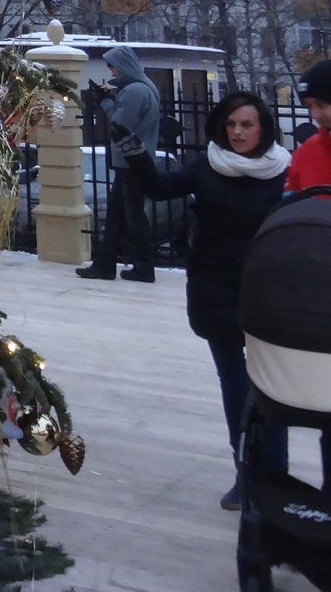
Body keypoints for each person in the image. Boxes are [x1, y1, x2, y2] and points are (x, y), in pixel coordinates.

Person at [124, 92, 289, 506]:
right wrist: (136, 153)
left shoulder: (285, 171)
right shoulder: (209, 164)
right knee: (234, 384)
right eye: (231, 124)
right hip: (215, 286)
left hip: (267, 287)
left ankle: (277, 478)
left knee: (273, 388)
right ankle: (246, 475)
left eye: (247, 125)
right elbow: (161, 188)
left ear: (264, 128)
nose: (237, 132)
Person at [76, 43, 162, 282]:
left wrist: (105, 101)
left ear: (122, 66)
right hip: (136, 160)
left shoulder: (135, 91)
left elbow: (119, 122)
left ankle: (134, 267)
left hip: (130, 161)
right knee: (121, 216)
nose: (111, 72)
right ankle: (110, 265)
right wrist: (112, 95)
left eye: (112, 67)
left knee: (129, 217)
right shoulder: (144, 86)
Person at [286, 59, 331, 189]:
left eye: (321, 104)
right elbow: (293, 203)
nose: (315, 114)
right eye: (309, 105)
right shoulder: (306, 152)